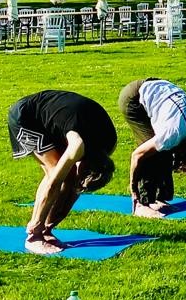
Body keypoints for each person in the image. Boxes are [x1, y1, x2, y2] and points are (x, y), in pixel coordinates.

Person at [7, 90, 118, 255]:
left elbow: (76, 188)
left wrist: (50, 225)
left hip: (60, 118)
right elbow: (54, 183)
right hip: (27, 116)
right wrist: (37, 224)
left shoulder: (108, 145)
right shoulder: (77, 145)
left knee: (70, 176)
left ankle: (45, 230)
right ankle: (33, 237)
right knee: (55, 170)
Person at [118, 77, 186, 217]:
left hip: (158, 89)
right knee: (151, 155)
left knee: (164, 150)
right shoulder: (172, 133)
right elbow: (137, 156)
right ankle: (142, 204)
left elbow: (173, 149)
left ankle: (159, 198)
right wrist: (133, 190)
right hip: (134, 98)